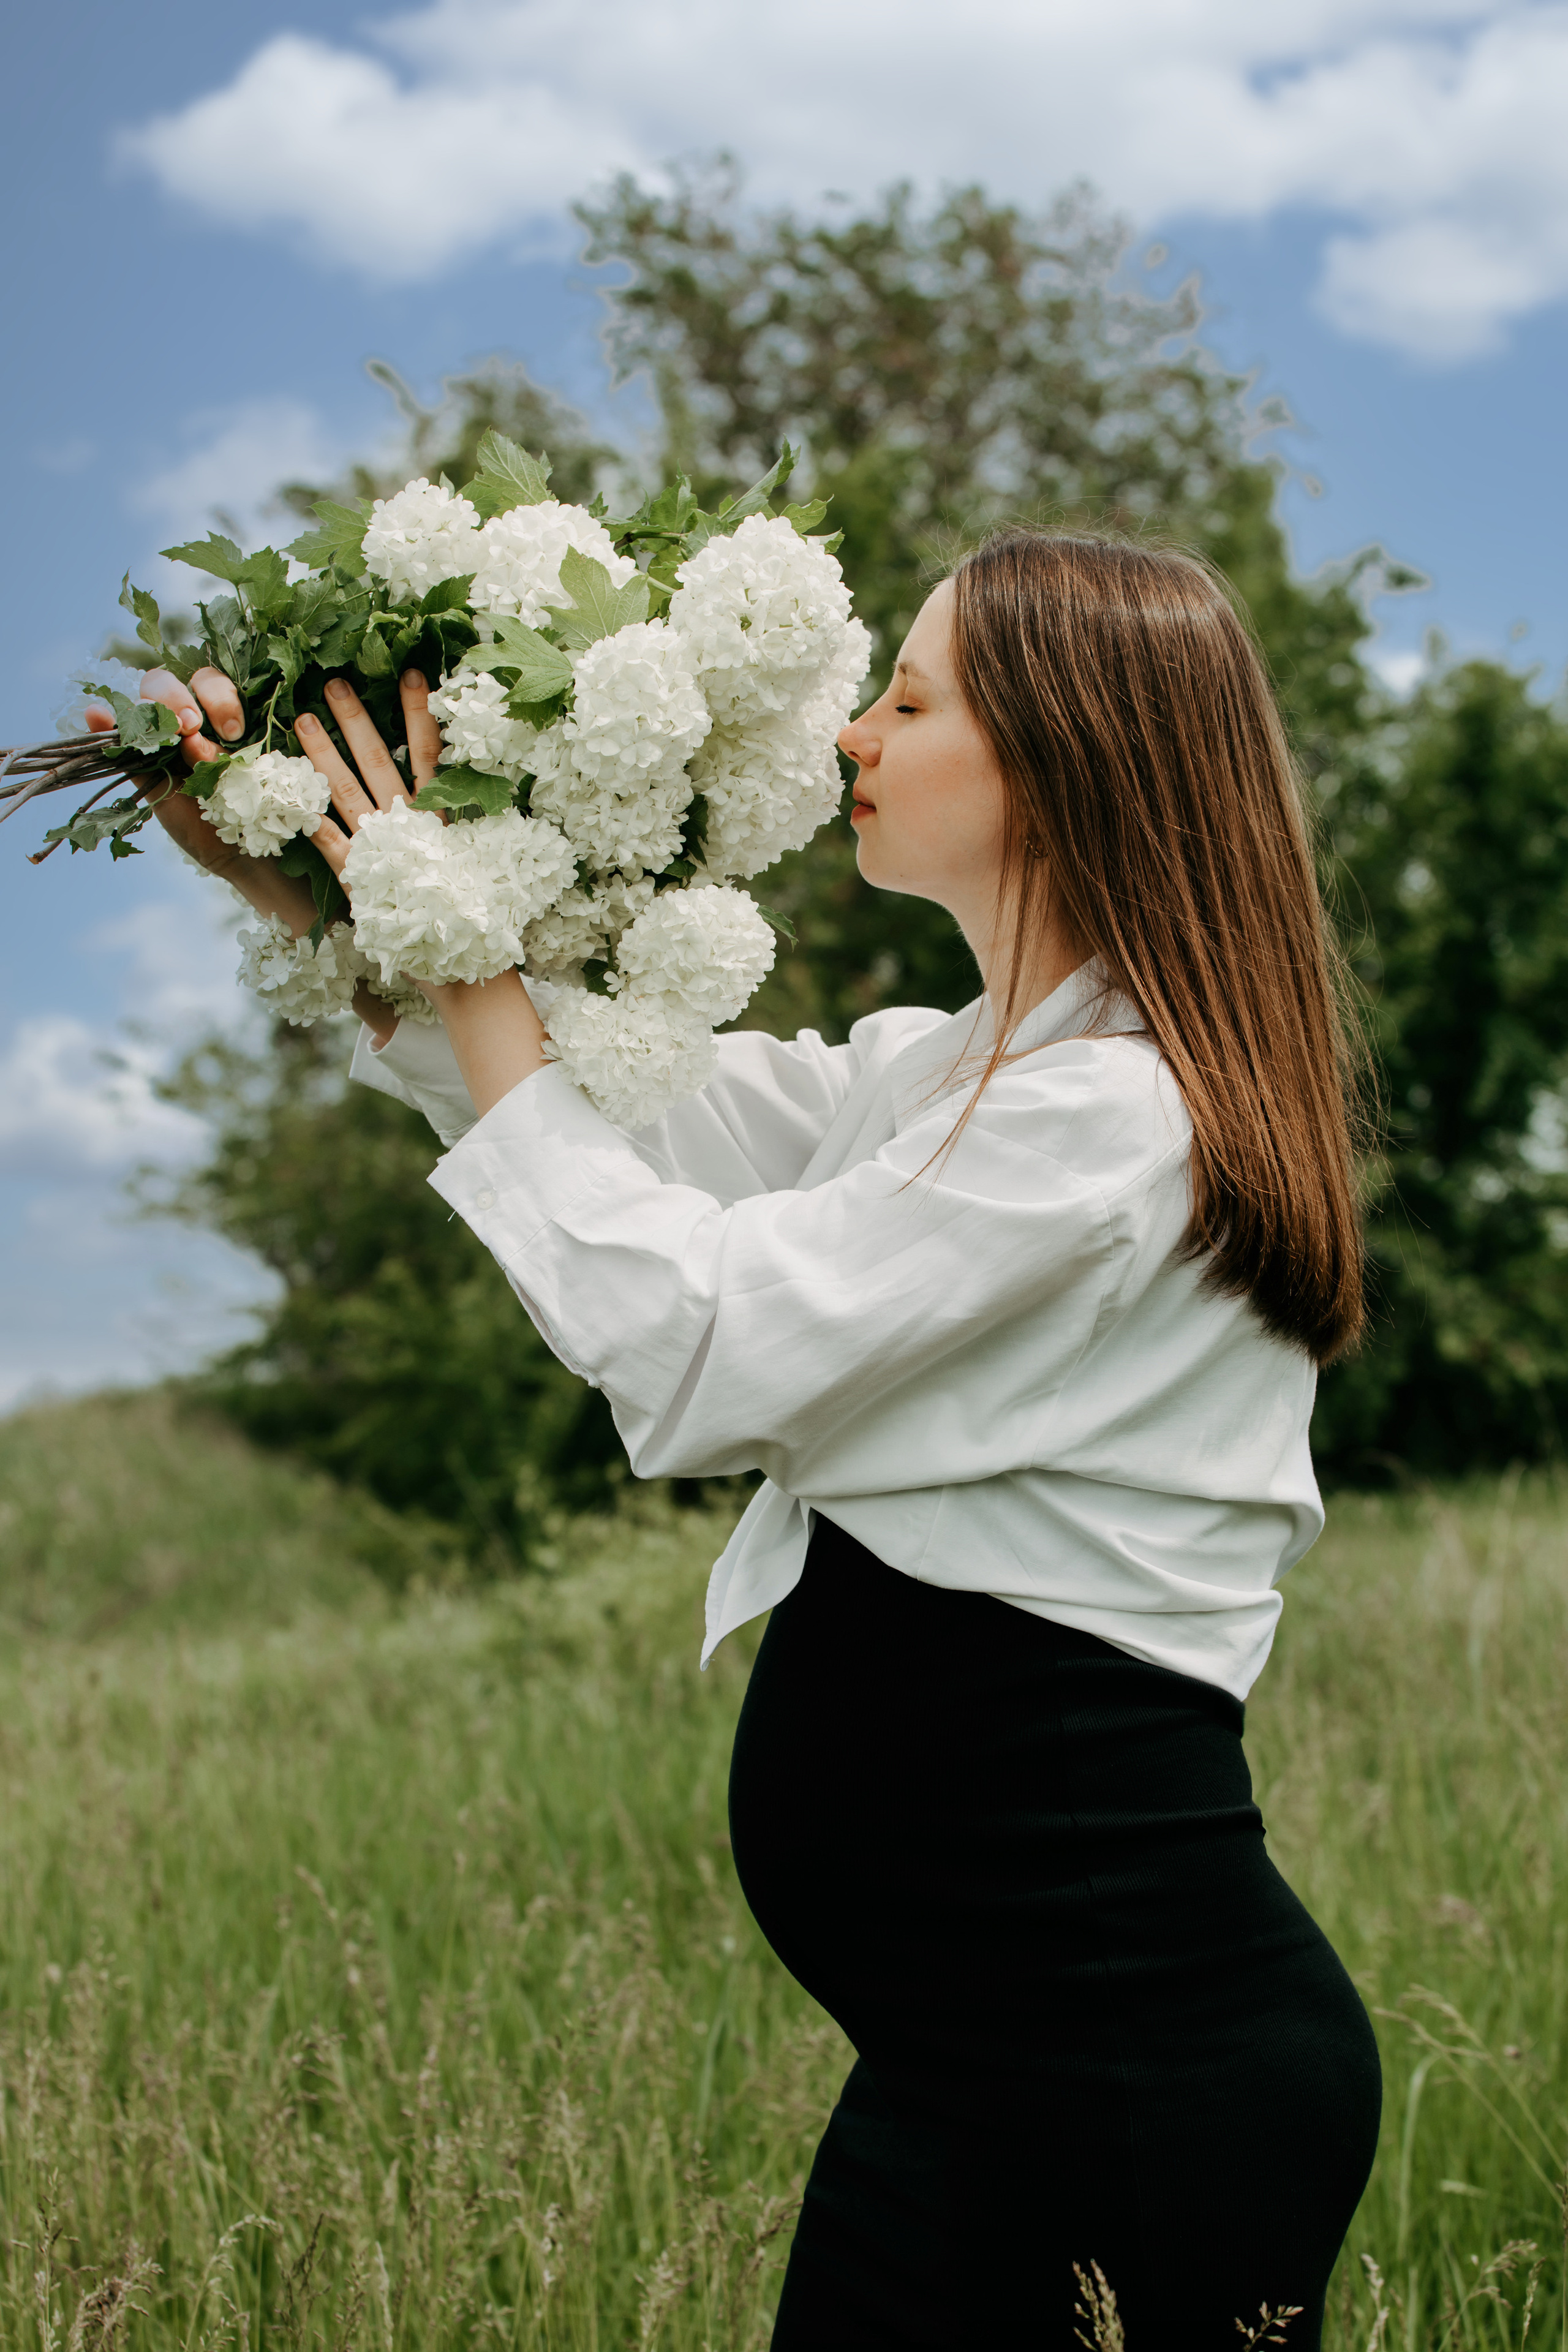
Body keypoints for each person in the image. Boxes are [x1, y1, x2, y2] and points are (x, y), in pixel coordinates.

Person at [143, 531, 1382, 2348]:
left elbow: (700, 1331)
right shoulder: (942, 1077)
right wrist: (322, 885)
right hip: (981, 2063)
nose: (856, 739)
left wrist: (466, 944)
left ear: (1061, 759)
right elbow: (615, 1113)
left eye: (909, 697)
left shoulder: (1115, 1120)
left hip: (1125, 2071)